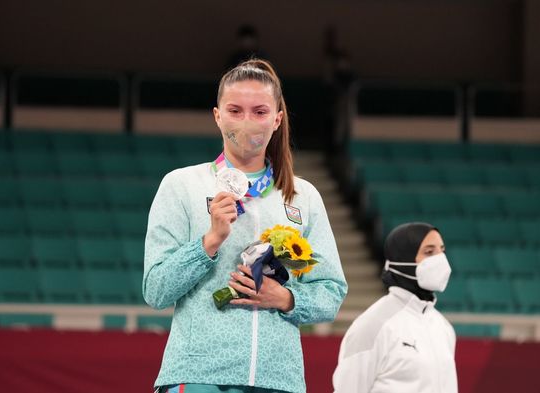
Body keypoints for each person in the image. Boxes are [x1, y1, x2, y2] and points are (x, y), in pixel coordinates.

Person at [143, 59, 347, 393]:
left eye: (260, 111)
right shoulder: (181, 185)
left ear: (277, 119)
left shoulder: (302, 196)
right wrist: (209, 242)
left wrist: (284, 298)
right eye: (235, 111)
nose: (247, 121)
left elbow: (331, 294)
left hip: (278, 379)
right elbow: (156, 290)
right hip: (198, 376)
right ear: (217, 115)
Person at [332, 222, 457, 393]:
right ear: (403, 258)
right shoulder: (372, 325)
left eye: (442, 251)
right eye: (429, 252)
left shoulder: (443, 327)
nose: (440, 259)